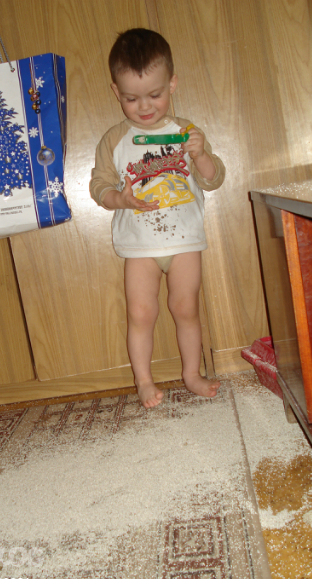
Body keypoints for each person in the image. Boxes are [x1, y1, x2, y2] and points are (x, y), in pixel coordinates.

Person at [89, 28, 226, 408]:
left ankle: (192, 374)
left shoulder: (186, 132)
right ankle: (144, 381)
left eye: (155, 94)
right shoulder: (114, 140)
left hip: (184, 240)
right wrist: (119, 198)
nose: (144, 106)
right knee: (140, 313)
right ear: (116, 92)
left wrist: (200, 155)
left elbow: (213, 179)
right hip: (139, 246)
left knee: (186, 308)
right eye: (131, 98)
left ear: (172, 84)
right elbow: (98, 186)